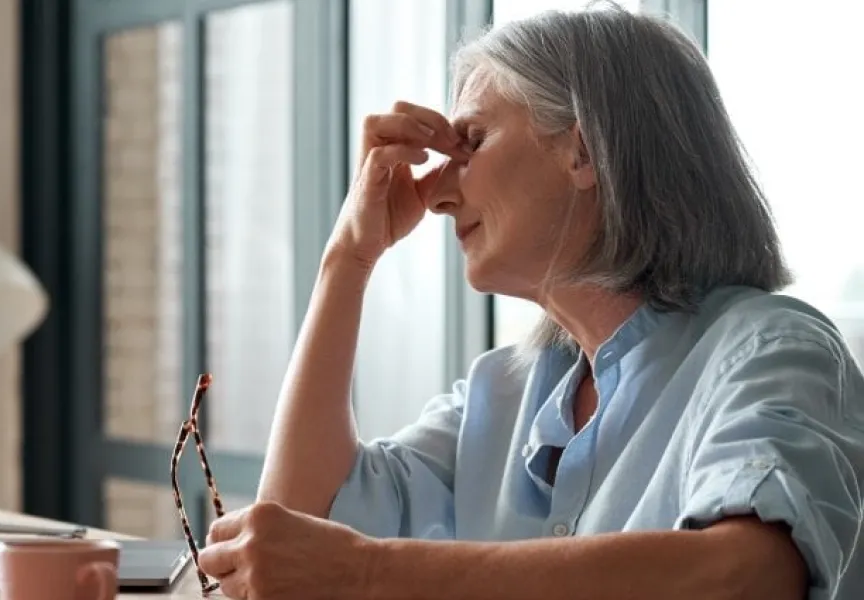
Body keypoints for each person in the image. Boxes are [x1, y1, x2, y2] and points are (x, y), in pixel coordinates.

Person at [195, 5, 864, 600]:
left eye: (473, 141)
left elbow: (746, 577)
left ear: (583, 150)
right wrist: (348, 256)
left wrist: (370, 573)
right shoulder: (504, 393)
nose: (437, 195)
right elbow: (298, 543)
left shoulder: (772, 351)